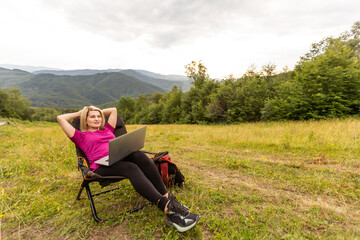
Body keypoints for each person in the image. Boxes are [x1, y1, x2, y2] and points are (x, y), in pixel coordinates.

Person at [57, 106, 200, 232]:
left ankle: (167, 197)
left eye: (99, 116)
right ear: (85, 119)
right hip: (101, 167)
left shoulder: (107, 129)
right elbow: (60, 118)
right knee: (131, 168)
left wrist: (98, 110)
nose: (97, 119)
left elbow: (113, 110)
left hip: (118, 158)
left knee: (139, 155)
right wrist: (81, 112)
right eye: (92, 116)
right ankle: (167, 207)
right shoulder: (80, 136)